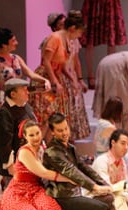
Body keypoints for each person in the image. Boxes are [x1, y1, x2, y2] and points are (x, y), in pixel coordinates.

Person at [43, 113, 113, 210]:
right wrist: (94, 187)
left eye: (66, 128)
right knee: (102, 209)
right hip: (61, 198)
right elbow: (72, 172)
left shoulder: (70, 148)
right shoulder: (52, 152)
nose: (64, 133)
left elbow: (84, 168)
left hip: (73, 196)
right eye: (60, 130)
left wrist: (104, 185)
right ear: (53, 132)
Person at [0, 27, 50, 150]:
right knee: (5, 129)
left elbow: (30, 73)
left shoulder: (16, 58)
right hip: (3, 98)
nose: (16, 43)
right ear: (4, 44)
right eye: (13, 40)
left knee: (24, 124)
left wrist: (44, 80)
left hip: (19, 97)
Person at [31, 10, 90, 141]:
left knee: (54, 117)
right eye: (79, 32)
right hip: (45, 79)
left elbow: (62, 65)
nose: (80, 35)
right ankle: (37, 149)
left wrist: (74, 80)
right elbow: (46, 61)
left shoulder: (67, 40)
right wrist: (54, 82)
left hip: (56, 78)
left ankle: (48, 151)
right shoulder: (55, 38)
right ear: (73, 28)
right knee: (44, 116)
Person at [0, 78, 37, 191]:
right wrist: (10, 165)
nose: (27, 92)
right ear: (13, 94)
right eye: (23, 90)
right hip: (16, 164)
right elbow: (4, 143)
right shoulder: (5, 113)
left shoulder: (26, 107)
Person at [80, 0, 127, 89]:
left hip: (110, 3)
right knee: (90, 39)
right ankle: (91, 77)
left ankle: (110, 75)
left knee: (111, 40)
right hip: (93, 3)